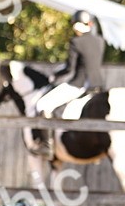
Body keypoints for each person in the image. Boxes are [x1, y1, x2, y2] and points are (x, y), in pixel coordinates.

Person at [28, 9, 105, 156]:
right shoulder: (100, 41)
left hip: (80, 84)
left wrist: (54, 76)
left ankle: (47, 145)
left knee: (42, 105)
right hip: (99, 84)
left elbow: (70, 69)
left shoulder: (76, 42)